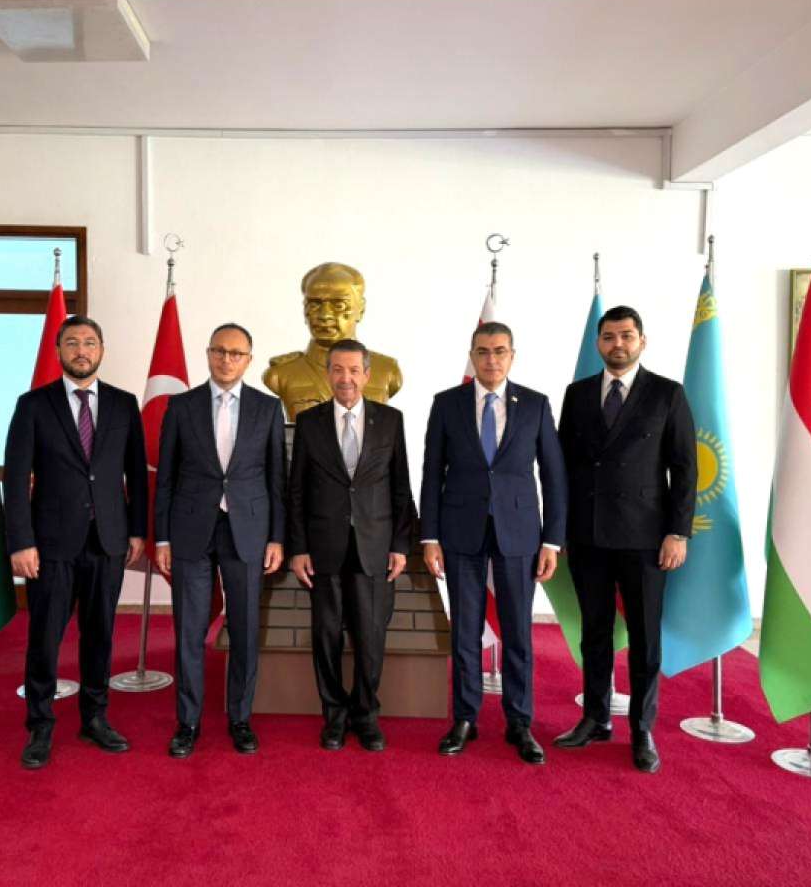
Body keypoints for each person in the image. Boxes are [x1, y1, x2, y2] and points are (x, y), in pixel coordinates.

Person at [553, 305, 696, 774]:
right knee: (594, 634)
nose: (618, 344)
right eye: (610, 336)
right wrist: (559, 529)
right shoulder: (577, 394)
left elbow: (685, 469)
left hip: (646, 538)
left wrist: (677, 532)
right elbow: (563, 467)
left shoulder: (667, 394)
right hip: (589, 535)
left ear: (642, 341)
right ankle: (595, 718)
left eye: (627, 336)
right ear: (599, 343)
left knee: (645, 639)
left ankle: (642, 729)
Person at [4, 314, 147, 770]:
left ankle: (95, 717)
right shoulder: (33, 405)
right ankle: (40, 725)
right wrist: (20, 542)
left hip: (108, 540)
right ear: (59, 351)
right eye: (72, 343)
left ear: (101, 350)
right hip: (50, 545)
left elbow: (136, 474)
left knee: (100, 634)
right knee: (45, 637)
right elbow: (16, 477)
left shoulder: (124, 405)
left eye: (89, 342)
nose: (81, 350)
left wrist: (137, 530)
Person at [420, 322, 567, 764]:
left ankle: (519, 722)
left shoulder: (536, 405)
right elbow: (432, 472)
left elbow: (554, 476)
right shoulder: (446, 404)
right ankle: (465, 718)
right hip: (460, 530)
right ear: (472, 355)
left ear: (512, 356)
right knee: (465, 630)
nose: (491, 359)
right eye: (483, 351)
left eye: (499, 351)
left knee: (518, 631)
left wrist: (552, 541)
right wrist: (430, 535)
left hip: (519, 533)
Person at [155, 323, 286, 757]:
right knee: (190, 631)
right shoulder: (182, 406)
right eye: (219, 351)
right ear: (208, 353)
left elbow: (277, 479)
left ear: (249, 360)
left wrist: (277, 537)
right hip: (191, 531)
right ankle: (188, 722)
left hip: (248, 532)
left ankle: (240, 718)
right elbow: (166, 477)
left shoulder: (268, 408)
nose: (226, 359)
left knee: (245, 630)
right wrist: (162, 539)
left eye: (235, 353)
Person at [287, 339, 415, 752]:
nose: (346, 378)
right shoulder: (309, 423)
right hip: (322, 549)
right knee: (326, 636)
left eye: (353, 370)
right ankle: (335, 716)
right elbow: (297, 491)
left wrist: (400, 545)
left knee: (371, 637)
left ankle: (366, 715)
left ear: (367, 374)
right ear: (328, 373)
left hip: (375, 548)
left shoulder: (390, 420)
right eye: (338, 369)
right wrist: (298, 548)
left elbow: (401, 488)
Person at [263, 262, 403, 421]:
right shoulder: (281, 374)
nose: (325, 315)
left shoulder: (387, 371)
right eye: (314, 304)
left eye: (339, 305)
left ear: (361, 309)